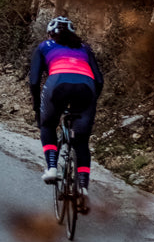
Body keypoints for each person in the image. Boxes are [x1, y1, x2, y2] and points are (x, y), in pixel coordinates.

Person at [29, 15, 103, 214]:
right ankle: (83, 187)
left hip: (58, 85)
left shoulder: (44, 46)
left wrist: (38, 108)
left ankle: (52, 167)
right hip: (86, 89)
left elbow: (34, 81)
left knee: (48, 125)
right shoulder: (85, 48)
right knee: (81, 142)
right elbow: (99, 80)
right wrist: (91, 102)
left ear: (50, 33)